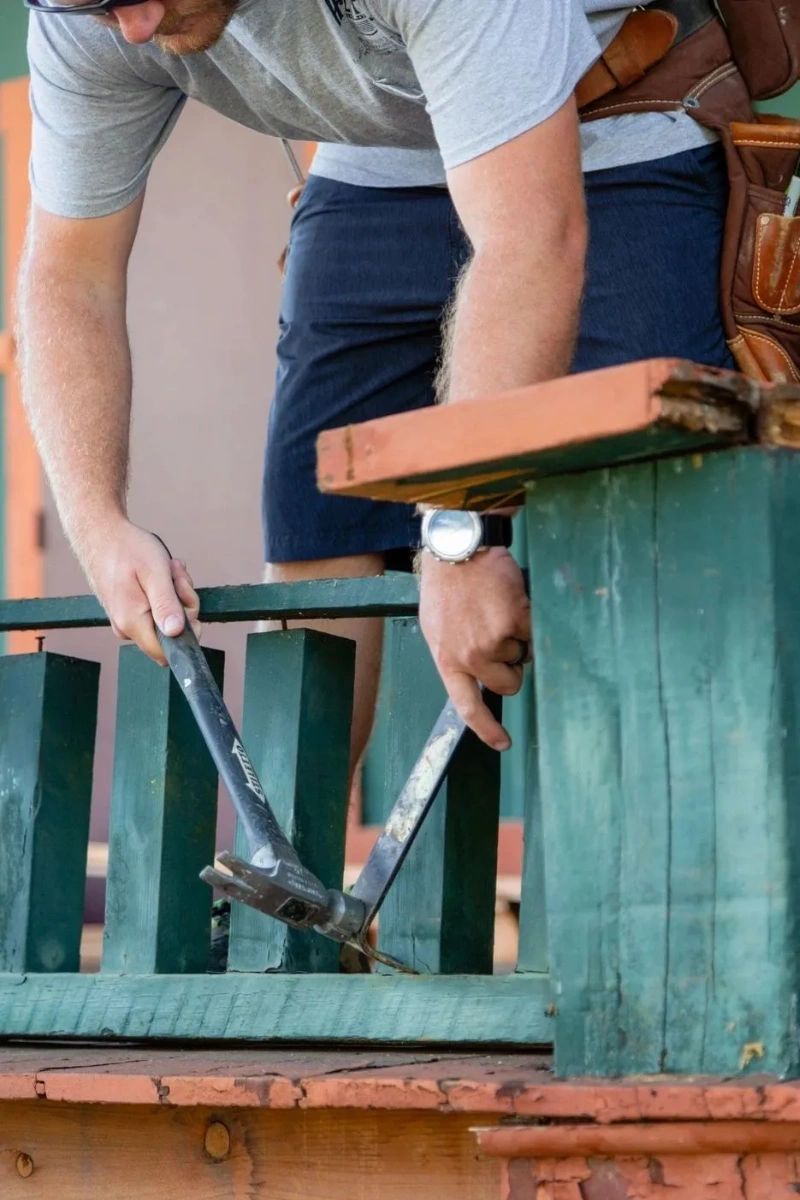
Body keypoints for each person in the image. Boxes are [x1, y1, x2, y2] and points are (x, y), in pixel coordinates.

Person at [17, 0, 732, 760]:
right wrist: (95, 527)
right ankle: (287, 859)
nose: (134, 24)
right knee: (317, 516)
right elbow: (69, 275)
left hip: (609, 120)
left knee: (644, 501)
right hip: (381, 149)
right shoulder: (81, 15)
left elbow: (529, 240)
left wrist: (461, 532)